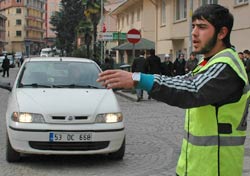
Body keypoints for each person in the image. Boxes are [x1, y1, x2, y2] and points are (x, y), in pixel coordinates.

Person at [97, 4, 249, 176]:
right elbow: (181, 81)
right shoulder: (208, 62)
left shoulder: (226, 66)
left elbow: (192, 90)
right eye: (193, 26)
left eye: (202, 27)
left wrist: (137, 79)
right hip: (194, 168)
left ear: (222, 33)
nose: (194, 33)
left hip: (217, 169)